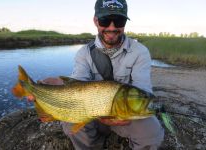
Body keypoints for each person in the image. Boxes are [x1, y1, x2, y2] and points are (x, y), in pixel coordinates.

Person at [29, 0, 164, 149]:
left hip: (126, 115)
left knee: (152, 133)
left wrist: (126, 113)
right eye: (105, 20)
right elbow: (76, 83)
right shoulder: (84, 53)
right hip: (91, 115)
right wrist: (51, 84)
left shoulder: (140, 51)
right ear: (95, 21)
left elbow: (143, 90)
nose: (112, 27)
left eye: (118, 20)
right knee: (70, 124)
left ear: (125, 22)